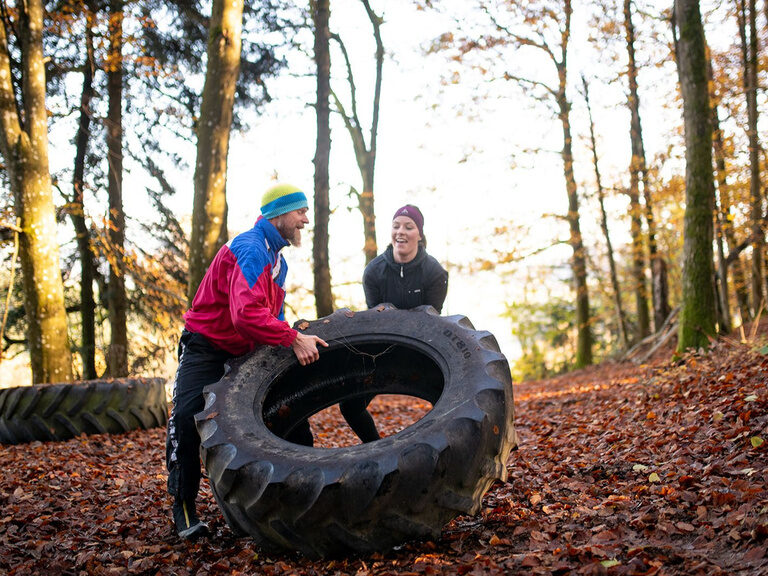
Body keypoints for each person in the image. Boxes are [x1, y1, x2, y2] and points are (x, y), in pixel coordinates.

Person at [165, 183, 328, 540]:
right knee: (187, 417)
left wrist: (284, 343)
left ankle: (304, 496)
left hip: (245, 350)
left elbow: (270, 314)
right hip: (205, 347)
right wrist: (292, 337)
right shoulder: (252, 248)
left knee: (288, 411)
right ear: (280, 214)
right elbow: (245, 314)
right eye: (300, 211)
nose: (305, 219)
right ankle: (185, 510)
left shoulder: (277, 260)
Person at [340, 204, 449, 443]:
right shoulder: (373, 272)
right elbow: (376, 318)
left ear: (419, 234)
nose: (401, 231)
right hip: (383, 350)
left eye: (409, 227)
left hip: (422, 348)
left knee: (449, 400)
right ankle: (374, 447)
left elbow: (432, 319)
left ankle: (437, 448)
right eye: (396, 225)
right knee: (349, 406)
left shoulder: (435, 273)